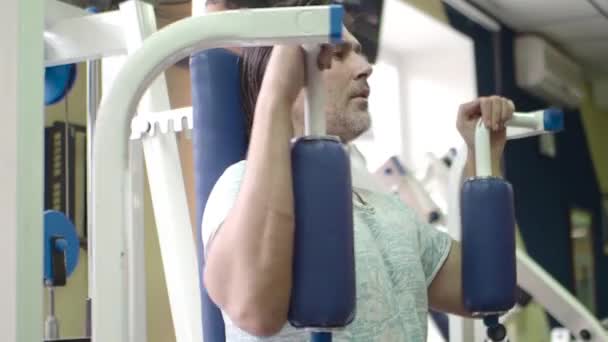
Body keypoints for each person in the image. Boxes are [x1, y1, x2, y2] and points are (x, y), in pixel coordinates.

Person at [201, 1, 516, 340]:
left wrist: (483, 153)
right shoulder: (238, 186)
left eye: (361, 53)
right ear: (289, 75)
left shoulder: (386, 210)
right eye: (338, 54)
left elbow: (481, 287)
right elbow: (254, 309)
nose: (366, 67)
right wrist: (276, 94)